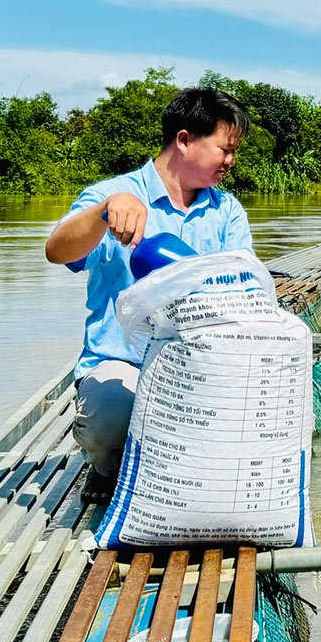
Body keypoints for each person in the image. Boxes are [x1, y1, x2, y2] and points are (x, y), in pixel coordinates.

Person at [45, 87, 254, 502]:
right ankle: (107, 470)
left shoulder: (226, 210)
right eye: (224, 149)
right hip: (125, 362)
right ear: (184, 140)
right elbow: (57, 251)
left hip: (202, 363)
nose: (231, 162)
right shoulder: (115, 193)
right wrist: (104, 211)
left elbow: (244, 287)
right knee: (109, 419)